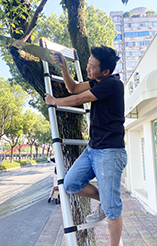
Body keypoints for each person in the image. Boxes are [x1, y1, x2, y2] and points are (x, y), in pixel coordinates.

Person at [44, 45, 127, 246]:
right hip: (93, 149)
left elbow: (79, 98)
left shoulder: (112, 84)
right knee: (71, 183)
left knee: (113, 212)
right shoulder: (97, 81)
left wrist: (55, 101)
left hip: (110, 152)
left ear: (106, 71)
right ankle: (105, 203)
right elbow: (73, 88)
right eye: (88, 64)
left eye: (92, 66)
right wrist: (64, 68)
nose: (88, 68)